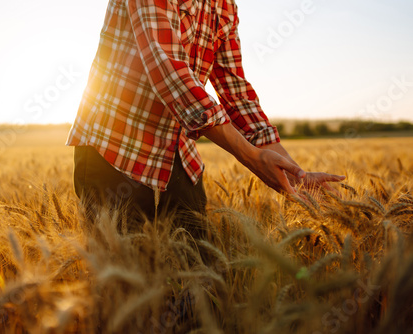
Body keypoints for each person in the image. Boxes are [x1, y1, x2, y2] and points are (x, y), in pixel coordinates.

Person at [66, 0, 345, 232]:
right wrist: (250, 156)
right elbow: (167, 66)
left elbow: (237, 93)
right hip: (115, 151)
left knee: (198, 282)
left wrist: (297, 175)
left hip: (178, 154)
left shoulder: (223, 5)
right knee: (123, 285)